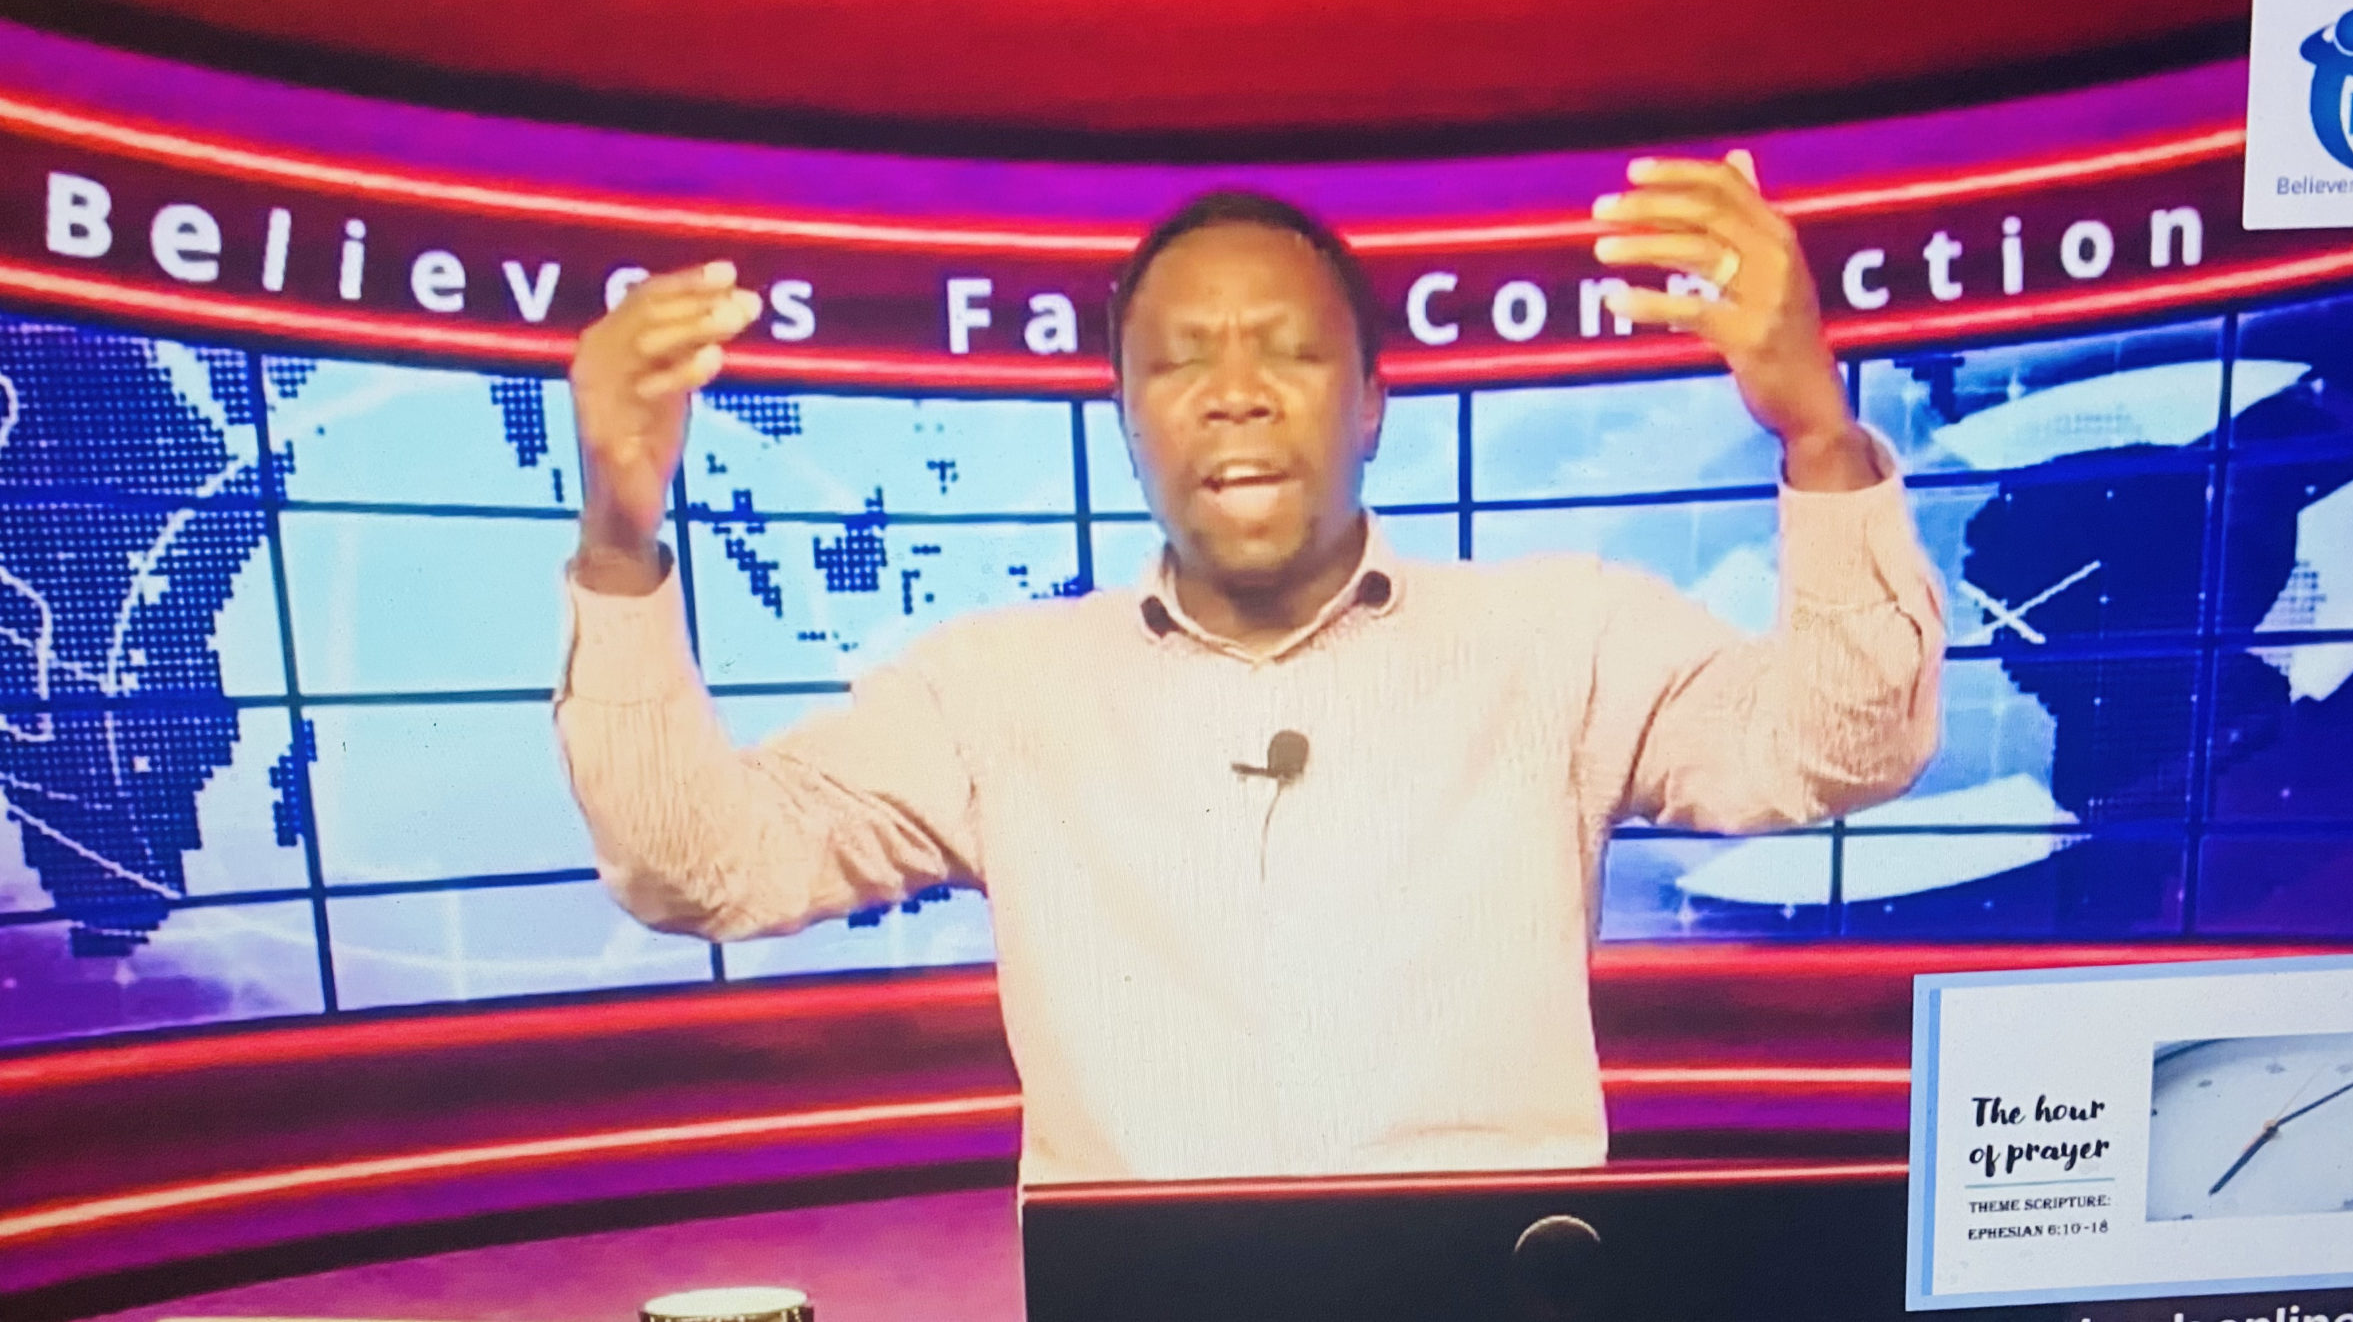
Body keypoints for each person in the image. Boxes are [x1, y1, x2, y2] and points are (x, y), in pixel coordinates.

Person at [554, 151, 1946, 1186]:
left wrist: (1817, 431)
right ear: (1126, 422)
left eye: (1290, 352)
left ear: (1374, 403)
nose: (1235, 393)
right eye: (1178, 365)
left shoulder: (1564, 641)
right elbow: (702, 871)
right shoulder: (993, 692)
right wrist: (618, 538)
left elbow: (1845, 746)